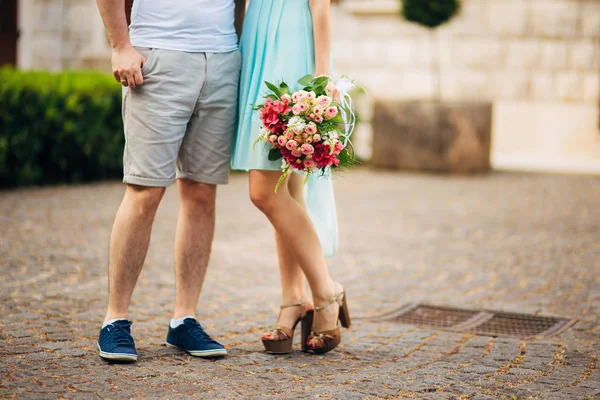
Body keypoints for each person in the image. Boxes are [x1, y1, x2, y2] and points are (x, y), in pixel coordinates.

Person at [95, 0, 244, 362]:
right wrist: (119, 45)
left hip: (223, 58)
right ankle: (115, 319)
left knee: (202, 192)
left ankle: (184, 319)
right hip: (159, 57)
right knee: (145, 190)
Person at [231, 0, 351, 355]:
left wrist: (323, 72)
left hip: (291, 41)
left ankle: (326, 291)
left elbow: (321, 4)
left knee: (264, 192)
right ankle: (293, 300)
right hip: (257, 36)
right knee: (286, 187)